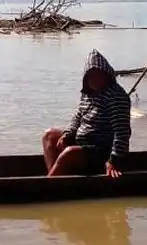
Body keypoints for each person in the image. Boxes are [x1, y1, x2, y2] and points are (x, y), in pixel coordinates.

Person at [42, 49, 132, 178]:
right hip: (83, 143)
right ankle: (55, 179)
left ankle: (49, 185)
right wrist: (67, 134)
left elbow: (122, 132)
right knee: (49, 135)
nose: (94, 80)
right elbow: (78, 116)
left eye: (98, 75)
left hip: (102, 151)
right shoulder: (88, 93)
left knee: (69, 153)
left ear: (105, 75)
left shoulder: (115, 96)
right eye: (91, 76)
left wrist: (113, 161)